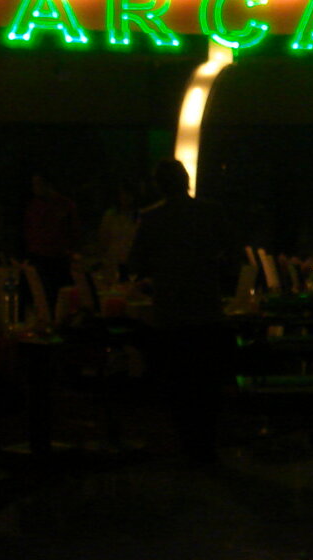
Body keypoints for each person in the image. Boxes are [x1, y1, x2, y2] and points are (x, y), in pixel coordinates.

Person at [128, 159, 234, 463]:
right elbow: (232, 253)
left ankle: (187, 445)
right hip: (207, 311)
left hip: (171, 316)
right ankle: (207, 446)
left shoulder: (151, 219)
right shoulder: (212, 212)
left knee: (179, 386)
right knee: (207, 386)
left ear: (159, 186)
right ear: (186, 180)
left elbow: (136, 263)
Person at [23, 169, 80, 309]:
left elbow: (74, 231)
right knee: (42, 297)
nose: (35, 188)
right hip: (39, 259)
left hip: (59, 260)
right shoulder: (34, 206)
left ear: (47, 184)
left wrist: (70, 251)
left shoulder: (64, 205)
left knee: (61, 298)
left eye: (37, 184)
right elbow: (29, 230)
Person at [96, 179, 140, 283]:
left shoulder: (139, 217)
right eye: (123, 194)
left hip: (131, 265)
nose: (125, 197)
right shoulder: (110, 215)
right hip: (113, 263)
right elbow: (103, 239)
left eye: (128, 194)